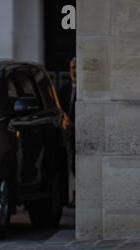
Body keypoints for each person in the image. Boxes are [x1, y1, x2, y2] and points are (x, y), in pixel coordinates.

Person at [60, 57, 76, 207]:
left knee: (76, 164)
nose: (75, 71)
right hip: (66, 131)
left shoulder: (84, 90)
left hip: (78, 130)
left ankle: (76, 193)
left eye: (77, 68)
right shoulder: (65, 88)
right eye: (72, 68)